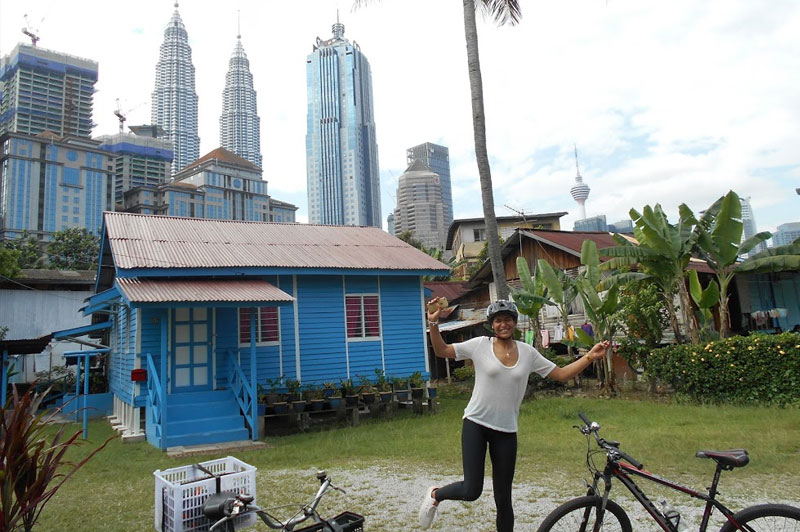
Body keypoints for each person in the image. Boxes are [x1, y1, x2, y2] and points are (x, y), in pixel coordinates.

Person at [419, 298, 610, 531]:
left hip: (506, 431)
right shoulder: (480, 345)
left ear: (514, 323)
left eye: (507, 319)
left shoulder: (528, 353)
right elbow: (441, 350)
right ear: (492, 324)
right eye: (498, 321)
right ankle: (436, 494)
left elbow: (560, 374)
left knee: (504, 499)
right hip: (476, 424)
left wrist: (590, 356)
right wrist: (434, 323)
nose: (503, 324)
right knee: (471, 490)